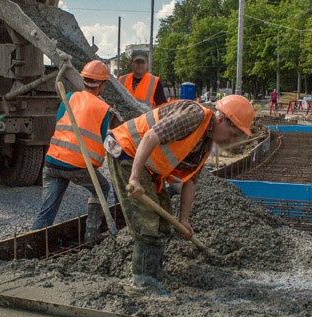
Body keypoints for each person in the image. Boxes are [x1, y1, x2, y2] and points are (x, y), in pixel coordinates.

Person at [104, 95, 255, 296]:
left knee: (165, 219)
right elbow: (150, 137)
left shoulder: (204, 144)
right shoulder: (193, 116)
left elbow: (191, 181)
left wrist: (184, 220)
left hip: (150, 169)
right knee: (147, 221)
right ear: (221, 120)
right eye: (233, 133)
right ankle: (142, 281)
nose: (232, 140)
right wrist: (135, 178)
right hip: (126, 151)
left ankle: (154, 272)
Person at [32, 61, 118, 241]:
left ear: (84, 80)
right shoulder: (103, 109)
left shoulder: (69, 97)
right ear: (102, 84)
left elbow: (61, 124)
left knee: (48, 208)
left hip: (52, 161)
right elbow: (102, 139)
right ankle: (92, 235)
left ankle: (34, 241)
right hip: (78, 165)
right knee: (102, 187)